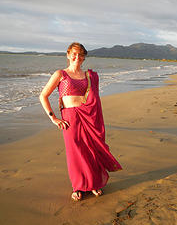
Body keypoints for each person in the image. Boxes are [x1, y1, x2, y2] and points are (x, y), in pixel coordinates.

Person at [39, 42, 122, 201]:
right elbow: (43, 96)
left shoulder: (89, 76)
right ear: (68, 55)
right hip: (70, 117)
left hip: (89, 116)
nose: (78, 57)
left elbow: (94, 99)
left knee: (91, 150)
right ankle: (78, 186)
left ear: (84, 57)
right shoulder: (60, 74)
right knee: (75, 152)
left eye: (81, 54)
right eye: (75, 54)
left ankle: (94, 183)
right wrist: (53, 118)